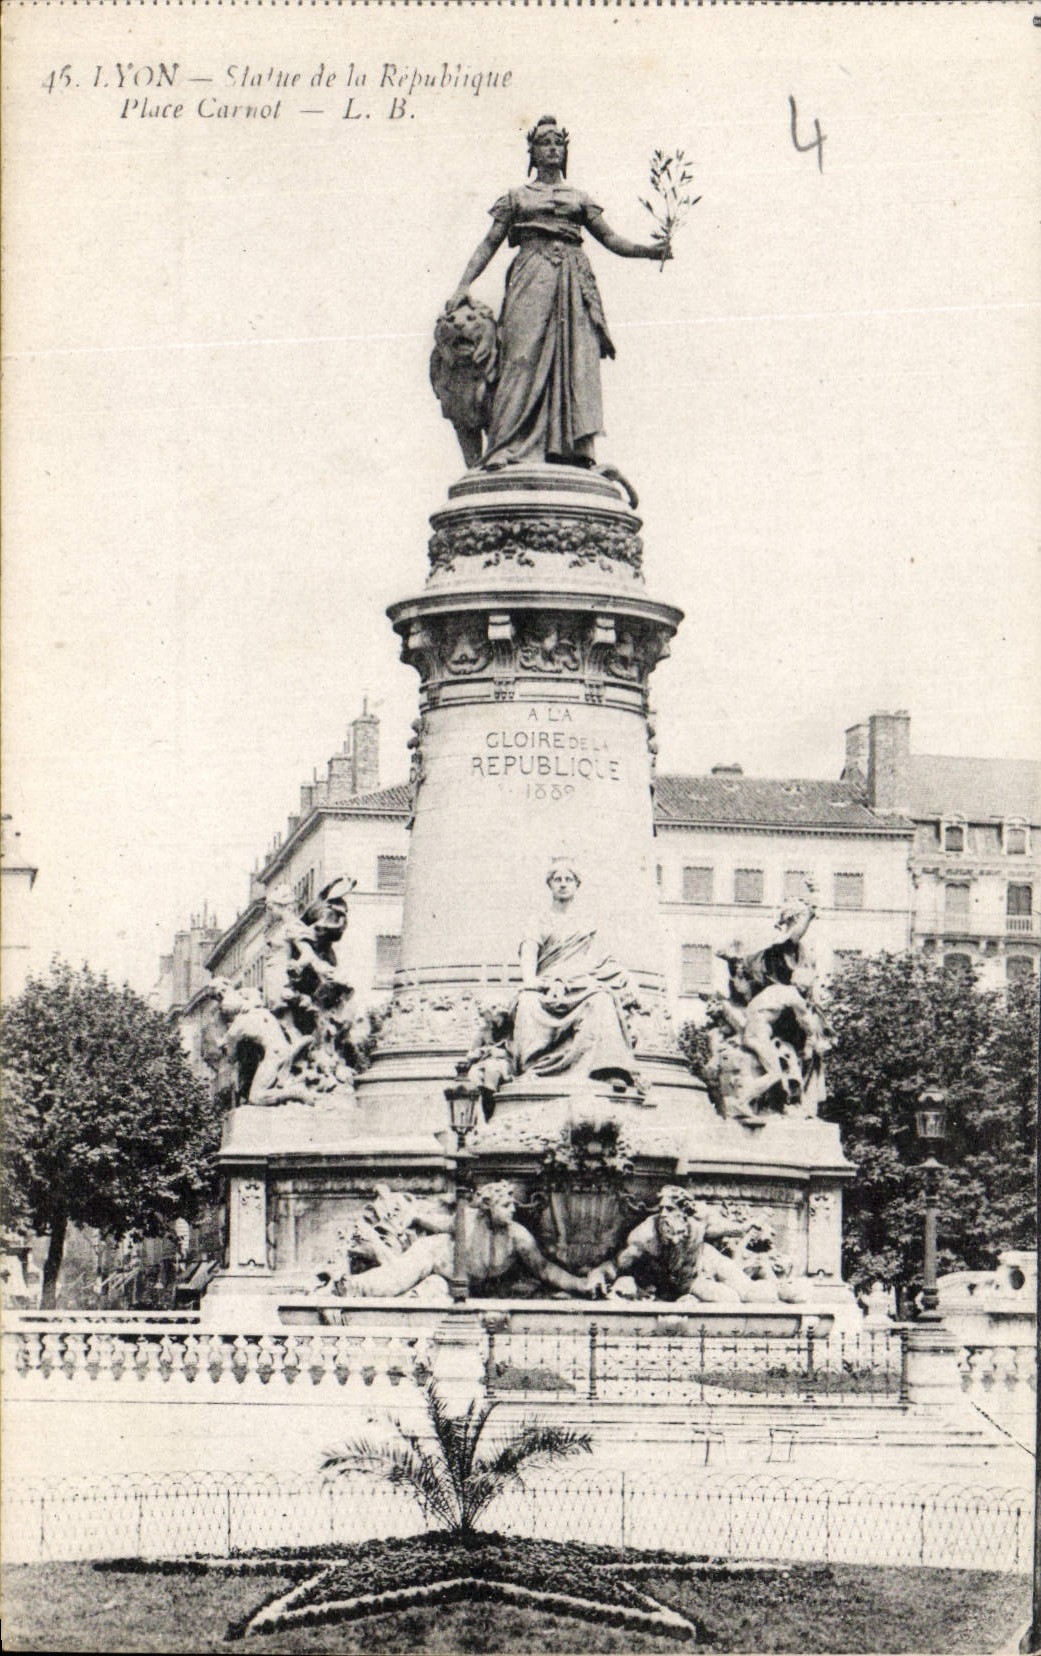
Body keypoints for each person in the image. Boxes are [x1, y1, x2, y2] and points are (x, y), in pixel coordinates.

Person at [446, 116, 670, 469]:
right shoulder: (516, 197)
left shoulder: (579, 198)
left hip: (572, 278)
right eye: (544, 142)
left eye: (558, 143)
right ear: (532, 152)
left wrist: (650, 251)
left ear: (565, 151)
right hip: (531, 273)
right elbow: (489, 243)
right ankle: (506, 446)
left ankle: (572, 451)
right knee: (519, 356)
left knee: (576, 359)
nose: (552, 148)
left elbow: (611, 239)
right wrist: (464, 284)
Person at [512, 859, 641, 1091]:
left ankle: (608, 1068)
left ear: (576, 884)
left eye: (568, 879)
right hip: (546, 984)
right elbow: (529, 951)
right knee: (527, 1001)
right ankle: (534, 1067)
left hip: (579, 983)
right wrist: (532, 981)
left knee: (601, 999)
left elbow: (596, 960)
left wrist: (624, 976)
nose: (563, 884)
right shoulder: (538, 920)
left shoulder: (586, 924)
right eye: (557, 879)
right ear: (550, 884)